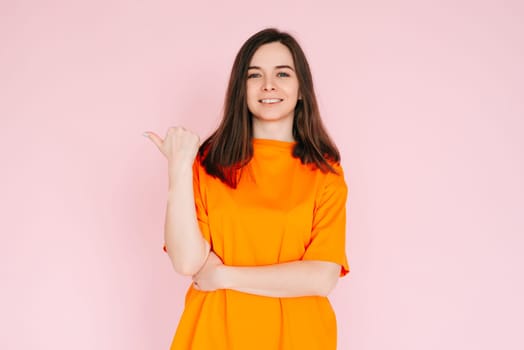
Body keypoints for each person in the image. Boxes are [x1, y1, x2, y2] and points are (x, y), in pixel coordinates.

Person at [144, 28, 350, 350]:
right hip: (213, 334)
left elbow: (322, 277)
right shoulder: (208, 163)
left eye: (282, 73)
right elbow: (187, 262)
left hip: (298, 338)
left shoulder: (324, 172)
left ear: (300, 90)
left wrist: (225, 276)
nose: (268, 84)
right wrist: (179, 168)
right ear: (241, 89)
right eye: (255, 75)